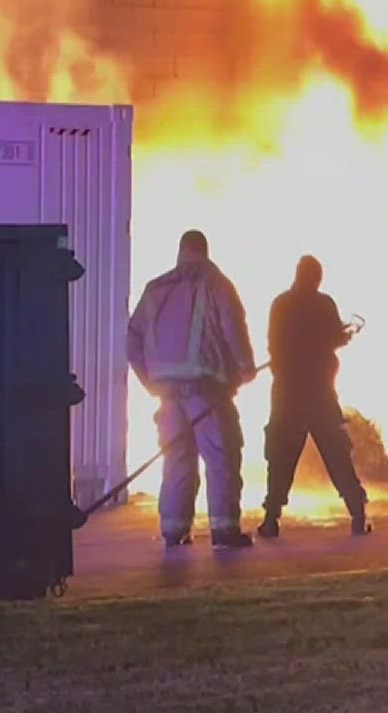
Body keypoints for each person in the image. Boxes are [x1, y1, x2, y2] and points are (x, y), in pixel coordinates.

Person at [126, 230, 258, 549]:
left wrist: (151, 382)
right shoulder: (217, 286)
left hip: (168, 397)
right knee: (221, 458)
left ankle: (174, 531)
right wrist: (245, 368)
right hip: (206, 392)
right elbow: (233, 330)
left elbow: (132, 340)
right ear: (205, 251)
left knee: (177, 461)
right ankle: (224, 531)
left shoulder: (156, 289)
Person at [259, 254, 371, 537]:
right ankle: (358, 514)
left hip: (286, 393)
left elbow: (272, 345)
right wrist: (345, 334)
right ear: (317, 278)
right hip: (320, 393)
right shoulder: (324, 304)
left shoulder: (280, 304)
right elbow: (335, 338)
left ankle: (271, 519)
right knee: (337, 455)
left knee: (281, 458)